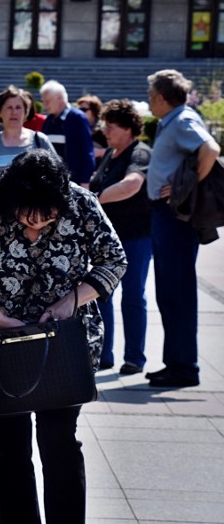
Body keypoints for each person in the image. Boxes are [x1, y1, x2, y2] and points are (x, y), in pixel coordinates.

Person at [0, 149, 126, 524]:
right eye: (26, 218)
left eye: (47, 219)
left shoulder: (81, 202)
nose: (35, 227)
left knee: (60, 442)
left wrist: (69, 302)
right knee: (8, 447)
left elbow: (114, 259)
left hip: (63, 343)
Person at [145, 69, 221, 388]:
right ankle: (176, 361)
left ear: (162, 97)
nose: (149, 101)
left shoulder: (182, 120)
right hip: (167, 217)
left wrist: (184, 188)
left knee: (177, 293)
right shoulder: (174, 120)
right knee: (170, 293)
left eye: (150, 95)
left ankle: (184, 366)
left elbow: (211, 149)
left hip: (173, 218)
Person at [89, 100, 153, 375]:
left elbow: (132, 185)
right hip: (108, 240)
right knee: (102, 294)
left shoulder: (139, 153)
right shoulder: (111, 153)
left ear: (128, 128)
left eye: (111, 126)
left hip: (136, 236)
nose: (106, 131)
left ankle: (134, 358)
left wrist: (95, 199)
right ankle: (104, 355)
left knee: (133, 297)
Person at [0, 86, 56, 196]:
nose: (14, 112)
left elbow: (55, 179)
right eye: (9, 107)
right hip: (0, 210)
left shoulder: (40, 141)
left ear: (26, 112)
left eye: (18, 107)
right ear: (0, 112)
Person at [40, 80, 96, 187]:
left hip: (73, 182)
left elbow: (87, 151)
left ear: (60, 98)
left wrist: (85, 181)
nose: (45, 105)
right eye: (43, 101)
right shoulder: (49, 120)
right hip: (51, 182)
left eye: (47, 101)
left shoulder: (77, 118)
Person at [76, 94, 109, 164]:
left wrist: (100, 152)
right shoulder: (77, 129)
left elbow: (116, 151)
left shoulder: (104, 130)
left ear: (94, 111)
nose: (79, 113)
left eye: (83, 110)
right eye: (78, 110)